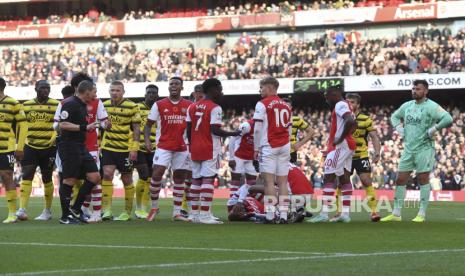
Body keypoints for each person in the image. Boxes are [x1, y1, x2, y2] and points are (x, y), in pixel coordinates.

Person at [381, 79, 452, 222]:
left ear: (426, 91)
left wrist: (434, 129)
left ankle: (421, 214)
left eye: (418, 89)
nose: (414, 91)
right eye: (413, 88)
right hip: (408, 149)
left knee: (423, 179)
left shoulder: (432, 106)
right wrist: (399, 128)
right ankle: (396, 214)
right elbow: (394, 116)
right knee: (400, 179)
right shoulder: (407, 105)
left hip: (424, 148)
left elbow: (448, 118)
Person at [186, 78, 241, 224]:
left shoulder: (192, 107)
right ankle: (205, 216)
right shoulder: (215, 107)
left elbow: (188, 129)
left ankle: (194, 214)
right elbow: (215, 130)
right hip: (210, 147)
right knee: (208, 180)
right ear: (212, 90)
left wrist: (192, 145)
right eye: (219, 88)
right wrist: (232, 134)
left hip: (195, 147)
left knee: (196, 180)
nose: (221, 92)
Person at [145, 77, 192, 222]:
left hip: (182, 147)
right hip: (163, 146)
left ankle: (177, 212)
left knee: (179, 178)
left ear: (181, 88)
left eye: (177, 84)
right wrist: (147, 140)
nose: (173, 86)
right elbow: (148, 125)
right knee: (156, 174)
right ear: (168, 87)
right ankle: (154, 208)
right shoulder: (159, 104)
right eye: (171, 84)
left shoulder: (189, 105)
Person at [309, 85, 356, 223]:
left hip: (340, 146)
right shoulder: (347, 105)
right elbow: (354, 124)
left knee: (328, 178)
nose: (326, 99)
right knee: (344, 179)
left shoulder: (340, 105)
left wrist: (340, 138)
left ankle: (324, 214)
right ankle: (345, 215)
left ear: (334, 94)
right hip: (348, 145)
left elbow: (350, 121)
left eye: (326, 96)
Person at [57, 80, 101, 224]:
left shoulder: (83, 105)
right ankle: (65, 217)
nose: (95, 95)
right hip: (69, 145)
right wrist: (84, 127)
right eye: (94, 92)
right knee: (69, 179)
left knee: (94, 176)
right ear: (87, 91)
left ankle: (75, 209)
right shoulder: (71, 104)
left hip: (80, 146)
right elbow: (62, 124)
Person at [335, 93, 381, 222]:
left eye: (352, 102)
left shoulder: (366, 119)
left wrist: (377, 152)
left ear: (358, 105)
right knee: (341, 183)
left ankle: (373, 212)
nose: (349, 105)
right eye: (347, 102)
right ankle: (339, 212)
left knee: (367, 181)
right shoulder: (341, 118)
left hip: (361, 155)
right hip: (344, 156)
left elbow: (374, 136)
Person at [17, 80, 59, 221]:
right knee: (27, 174)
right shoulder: (27, 105)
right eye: (42, 88)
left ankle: (47, 211)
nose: (45, 90)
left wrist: (54, 137)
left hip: (49, 147)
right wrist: (20, 145)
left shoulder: (56, 104)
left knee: (47, 177)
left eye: (48, 88)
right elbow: (22, 126)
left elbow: (58, 124)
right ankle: (22, 209)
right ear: (36, 88)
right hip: (31, 146)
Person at [253, 77, 292, 224]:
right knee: (283, 182)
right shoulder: (286, 105)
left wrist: (255, 148)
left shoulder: (262, 104)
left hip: (269, 145)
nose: (260, 90)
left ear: (269, 88)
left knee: (269, 182)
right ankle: (283, 215)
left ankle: (270, 215)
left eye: (261, 87)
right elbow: (289, 128)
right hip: (284, 145)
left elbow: (257, 129)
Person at [101, 81, 141, 221]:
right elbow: (99, 124)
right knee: (107, 174)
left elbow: (136, 128)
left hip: (125, 148)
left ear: (123, 92)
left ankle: (127, 212)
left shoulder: (132, 106)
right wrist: (103, 126)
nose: (115, 93)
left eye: (118, 90)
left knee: (127, 178)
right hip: (108, 147)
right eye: (112, 90)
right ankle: (106, 210)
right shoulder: (104, 105)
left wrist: (134, 148)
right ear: (109, 91)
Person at [228, 163, 314, 223]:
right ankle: (294, 210)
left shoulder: (270, 166)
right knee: (268, 193)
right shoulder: (284, 163)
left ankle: (286, 213)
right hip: (307, 196)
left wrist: (241, 200)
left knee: (266, 194)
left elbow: (253, 188)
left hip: (295, 196)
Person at [0, 77, 27, 223]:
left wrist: (20, 147)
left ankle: (12, 213)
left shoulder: (13, 103)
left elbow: (23, 126)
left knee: (6, 176)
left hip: (6, 147)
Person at [134, 84, 158, 219]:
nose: (151, 95)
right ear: (145, 94)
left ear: (157, 95)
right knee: (143, 174)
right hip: (140, 147)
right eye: (149, 93)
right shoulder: (137, 107)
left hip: (155, 148)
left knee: (151, 177)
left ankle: (144, 206)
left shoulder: (159, 109)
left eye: (154, 93)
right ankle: (139, 208)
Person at [227, 119, 257, 204]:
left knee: (252, 183)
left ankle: (247, 204)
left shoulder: (266, 126)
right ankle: (232, 204)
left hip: (251, 158)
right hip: (238, 156)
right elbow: (233, 138)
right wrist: (231, 158)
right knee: (235, 180)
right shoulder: (247, 125)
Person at [283, 98, 314, 164]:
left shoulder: (296, 119)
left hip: (291, 152)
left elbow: (311, 131)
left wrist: (300, 144)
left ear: (291, 108)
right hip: (277, 151)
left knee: (290, 173)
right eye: (283, 107)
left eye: (287, 107)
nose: (285, 109)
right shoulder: (274, 120)